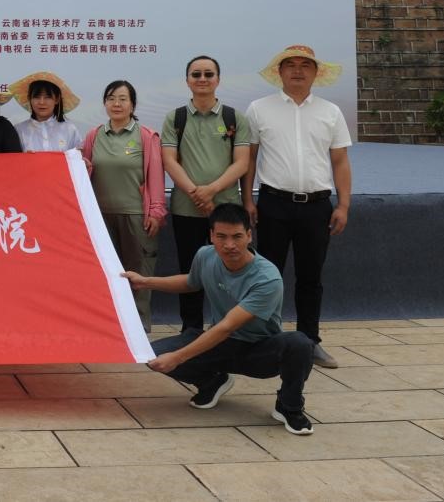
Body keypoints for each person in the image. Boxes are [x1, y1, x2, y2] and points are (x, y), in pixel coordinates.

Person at [124, 203, 315, 435]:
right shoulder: (205, 255)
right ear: (212, 235)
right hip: (221, 344)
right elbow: (190, 282)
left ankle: (289, 406)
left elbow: (227, 326)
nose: (229, 245)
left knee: (300, 344)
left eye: (237, 236)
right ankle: (212, 382)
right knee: (152, 354)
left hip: (259, 350)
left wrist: (177, 357)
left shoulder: (267, 278)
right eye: (222, 236)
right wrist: (145, 281)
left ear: (249, 235)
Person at [243, 44, 352, 370]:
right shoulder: (259, 109)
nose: (297, 70)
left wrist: (344, 205)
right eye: (289, 64)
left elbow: (340, 161)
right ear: (279, 72)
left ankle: (309, 341)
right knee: (268, 276)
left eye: (305, 65)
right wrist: (247, 199)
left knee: (310, 277)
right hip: (273, 204)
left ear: (316, 72)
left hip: (317, 206)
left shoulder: (330, 112)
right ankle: (267, 339)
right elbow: (249, 158)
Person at [160, 56, 253, 333]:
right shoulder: (175, 118)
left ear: (218, 80)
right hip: (186, 208)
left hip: (226, 209)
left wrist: (210, 190)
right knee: (191, 272)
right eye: (196, 74)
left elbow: (242, 163)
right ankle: (191, 330)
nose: (202, 79)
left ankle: (231, 329)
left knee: (233, 268)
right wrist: (196, 193)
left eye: (208, 74)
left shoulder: (234, 118)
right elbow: (169, 161)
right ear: (187, 80)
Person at [81, 79, 166, 331]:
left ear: (133, 105)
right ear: (104, 104)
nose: (116, 104)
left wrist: (156, 211)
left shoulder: (146, 136)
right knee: (105, 274)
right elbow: (84, 171)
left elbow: (156, 176)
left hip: (136, 216)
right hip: (100, 218)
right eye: (111, 99)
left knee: (138, 274)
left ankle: (139, 330)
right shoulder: (94, 135)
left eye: (122, 99)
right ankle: (108, 328)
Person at [10, 70, 82, 153]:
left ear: (57, 99)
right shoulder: (19, 130)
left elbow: (77, 158)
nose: (41, 102)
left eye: (47, 97)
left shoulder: (69, 129)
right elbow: (12, 159)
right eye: (37, 97)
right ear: (29, 99)